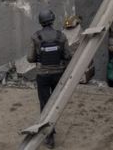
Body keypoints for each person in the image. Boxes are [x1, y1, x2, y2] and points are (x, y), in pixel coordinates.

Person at [28, 9, 72, 148]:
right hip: (58, 74)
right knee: (55, 104)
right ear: (52, 20)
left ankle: (49, 135)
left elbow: (30, 58)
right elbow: (67, 55)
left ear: (40, 22)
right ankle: (52, 128)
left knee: (45, 104)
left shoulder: (36, 37)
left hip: (43, 75)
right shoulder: (61, 36)